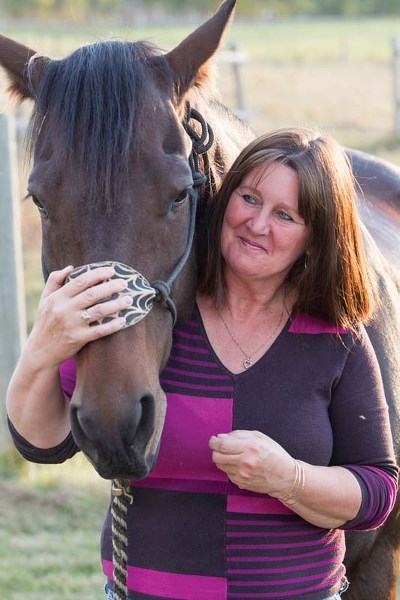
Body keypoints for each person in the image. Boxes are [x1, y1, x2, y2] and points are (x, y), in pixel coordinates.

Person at [6, 127, 398, 600]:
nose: (257, 225)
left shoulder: (336, 339)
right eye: (249, 198)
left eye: (284, 215)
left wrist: (289, 479)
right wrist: (41, 349)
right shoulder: (155, 320)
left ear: (313, 238)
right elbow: (44, 441)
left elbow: (376, 493)